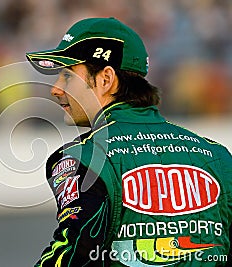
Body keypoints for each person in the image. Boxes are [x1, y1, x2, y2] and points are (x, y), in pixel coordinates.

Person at [26, 17, 232, 266]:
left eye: (67, 77)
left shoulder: (84, 157)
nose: (56, 89)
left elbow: (76, 253)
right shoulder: (217, 156)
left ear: (105, 79)